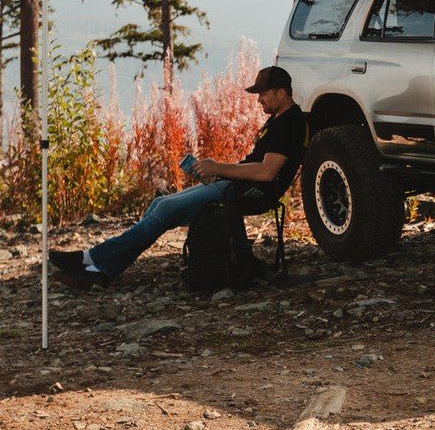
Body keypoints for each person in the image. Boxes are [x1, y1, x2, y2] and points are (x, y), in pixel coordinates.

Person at [49, 65, 307, 289]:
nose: (259, 99)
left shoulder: (290, 122)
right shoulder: (278, 119)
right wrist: (215, 171)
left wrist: (218, 168)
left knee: (166, 209)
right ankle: (99, 268)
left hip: (252, 192)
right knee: (159, 203)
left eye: (263, 93)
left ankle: (93, 261)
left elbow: (266, 172)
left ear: (281, 92)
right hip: (236, 184)